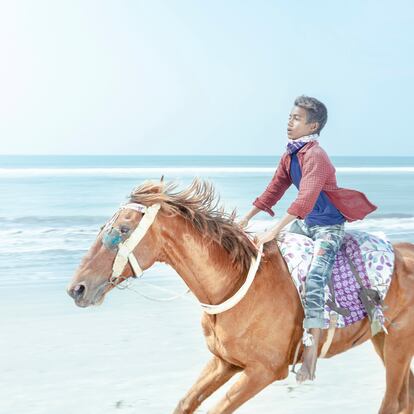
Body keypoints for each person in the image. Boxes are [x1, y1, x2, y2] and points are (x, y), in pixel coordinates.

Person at [239, 95, 377, 383]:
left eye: (297, 119)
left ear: (312, 125)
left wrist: (275, 230)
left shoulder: (316, 155)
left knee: (314, 281)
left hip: (327, 228)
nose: (290, 122)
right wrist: (246, 219)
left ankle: (311, 358)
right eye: (290, 117)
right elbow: (273, 190)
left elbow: (306, 197)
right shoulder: (291, 155)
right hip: (305, 224)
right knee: (275, 263)